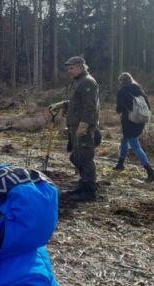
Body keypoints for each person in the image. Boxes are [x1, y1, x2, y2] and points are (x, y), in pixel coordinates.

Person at [49, 56, 100, 202]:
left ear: (80, 66)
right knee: (76, 156)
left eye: (71, 68)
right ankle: (83, 184)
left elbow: (90, 107)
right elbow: (75, 102)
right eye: (68, 69)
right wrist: (60, 105)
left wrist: (84, 126)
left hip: (82, 127)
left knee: (85, 158)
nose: (69, 71)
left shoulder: (87, 82)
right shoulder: (78, 82)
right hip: (74, 126)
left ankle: (89, 191)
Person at [114, 72, 154, 182]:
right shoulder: (139, 89)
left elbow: (119, 109)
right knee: (124, 140)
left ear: (121, 81)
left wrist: (123, 108)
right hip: (140, 119)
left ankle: (150, 171)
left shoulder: (122, 91)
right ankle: (120, 163)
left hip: (129, 121)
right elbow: (148, 106)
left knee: (134, 145)